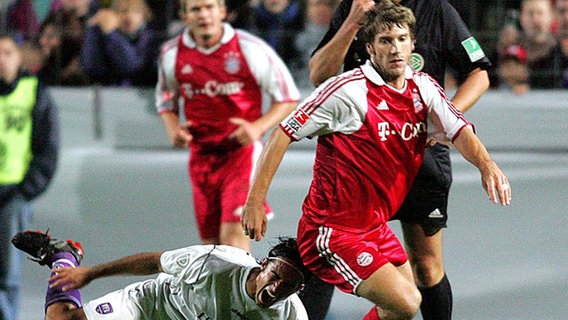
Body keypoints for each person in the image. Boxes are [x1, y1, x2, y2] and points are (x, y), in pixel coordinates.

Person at [241, 1, 512, 320]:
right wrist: (255, 201)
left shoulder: (424, 84)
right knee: (406, 302)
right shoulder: (347, 91)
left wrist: (486, 164)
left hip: (377, 218)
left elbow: (461, 127)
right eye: (385, 41)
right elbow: (283, 131)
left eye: (401, 40)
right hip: (334, 227)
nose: (395, 49)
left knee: (412, 289)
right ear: (369, 47)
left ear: (413, 44)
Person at [305, 0, 493, 319]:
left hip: (418, 155)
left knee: (426, 266)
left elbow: (479, 73)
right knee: (328, 257)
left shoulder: (437, 10)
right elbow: (319, 75)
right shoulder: (353, 9)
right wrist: (352, 22)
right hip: (358, 160)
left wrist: (444, 118)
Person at [156, 0, 300, 252]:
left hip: (241, 155)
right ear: (184, 15)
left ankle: (243, 291)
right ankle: (228, 292)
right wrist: (173, 129)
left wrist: (257, 128)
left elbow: (288, 97)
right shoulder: (172, 53)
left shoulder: (249, 48)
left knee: (233, 239)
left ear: (222, 11)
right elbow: (166, 98)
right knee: (210, 248)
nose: (204, 15)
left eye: (210, 7)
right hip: (201, 157)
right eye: (196, 9)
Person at [11, 230, 310, 319]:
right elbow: (155, 262)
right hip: (152, 305)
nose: (276, 289)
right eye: (275, 276)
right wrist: (90, 274)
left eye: (288, 287)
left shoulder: (292, 315)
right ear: (262, 264)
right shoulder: (215, 262)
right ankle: (64, 257)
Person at [0, 34, 59, 320]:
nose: (1, 59)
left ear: (19, 57)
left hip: (14, 194)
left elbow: (48, 146)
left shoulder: (34, 91)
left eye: (7, 52)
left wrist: (27, 189)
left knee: (7, 271)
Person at [80, 0, 163, 86]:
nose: (128, 16)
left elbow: (132, 66)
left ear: (144, 15)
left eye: (135, 11)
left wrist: (111, 33)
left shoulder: (151, 38)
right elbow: (90, 67)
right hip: (109, 94)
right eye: (123, 11)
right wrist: (93, 28)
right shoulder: (107, 36)